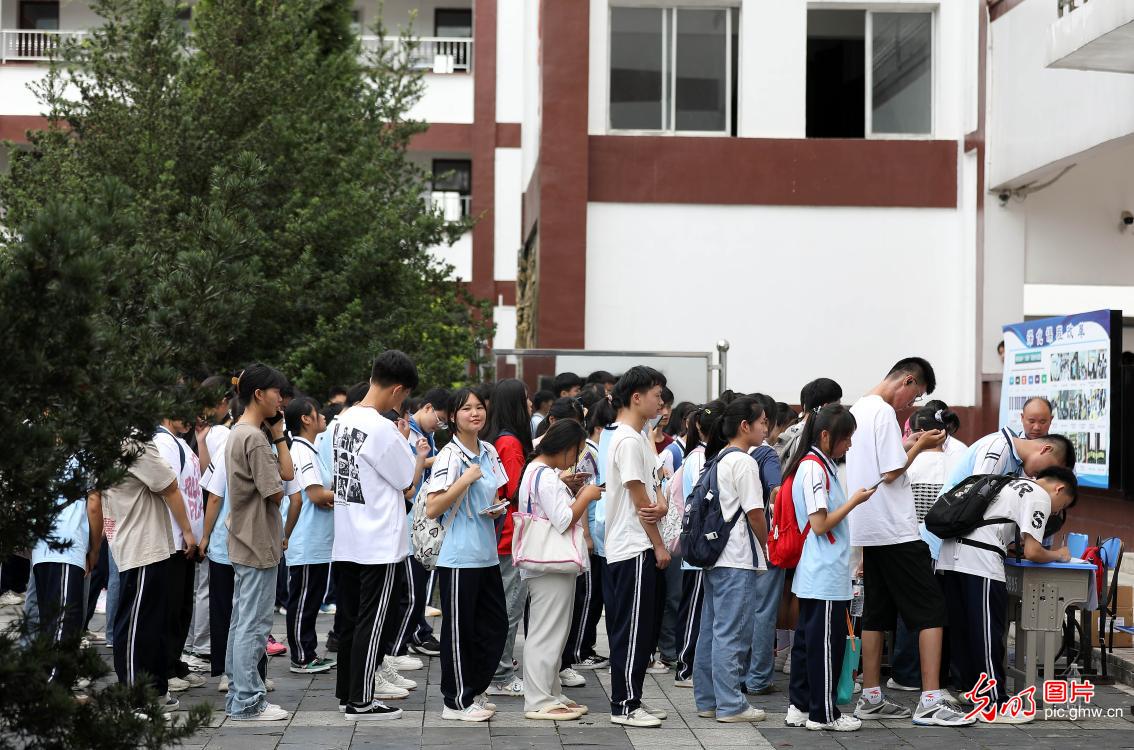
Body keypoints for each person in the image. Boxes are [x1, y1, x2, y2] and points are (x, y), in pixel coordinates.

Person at [846, 358, 973, 727]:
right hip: (894, 527)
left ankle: (870, 694)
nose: (910, 404)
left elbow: (876, 461)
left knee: (876, 614)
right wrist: (920, 447)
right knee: (931, 609)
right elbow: (891, 470)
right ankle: (931, 698)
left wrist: (906, 442)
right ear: (907, 379)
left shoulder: (860, 408)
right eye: (914, 395)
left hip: (867, 527)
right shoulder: (884, 411)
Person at [937, 468, 1078, 721]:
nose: (1055, 513)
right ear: (1059, 489)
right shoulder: (1039, 496)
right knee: (987, 634)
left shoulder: (1012, 483)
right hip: (979, 562)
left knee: (963, 632)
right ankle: (994, 704)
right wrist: (1059, 554)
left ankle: (971, 691)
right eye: (1061, 506)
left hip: (949, 557)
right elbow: (1034, 551)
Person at [330, 351, 420, 721]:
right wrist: (406, 443)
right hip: (379, 541)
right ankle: (362, 700)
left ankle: (347, 693)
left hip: (348, 536)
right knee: (373, 620)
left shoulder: (343, 419)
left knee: (351, 619)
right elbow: (405, 481)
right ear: (398, 389)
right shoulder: (382, 428)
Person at [783, 405, 877, 732]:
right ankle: (823, 713)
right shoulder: (814, 469)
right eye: (846, 438)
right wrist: (854, 502)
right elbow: (820, 524)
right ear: (826, 436)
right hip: (823, 572)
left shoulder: (818, 465)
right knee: (825, 645)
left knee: (809, 642)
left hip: (820, 570)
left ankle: (800, 705)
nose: (849, 445)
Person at [426, 388, 510, 722]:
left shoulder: (488, 451)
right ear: (452, 416)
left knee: (494, 627)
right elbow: (433, 507)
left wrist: (495, 511)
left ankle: (472, 689)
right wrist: (464, 480)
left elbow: (497, 491)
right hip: (458, 557)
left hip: (486, 553)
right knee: (459, 630)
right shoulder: (450, 455)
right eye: (466, 409)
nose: (474, 413)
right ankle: (456, 701)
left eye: (478, 407)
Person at [102, 435, 196, 714]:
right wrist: (188, 532)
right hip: (140, 543)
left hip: (144, 542)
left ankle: (155, 691)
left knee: (151, 624)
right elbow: (168, 484)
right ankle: (133, 697)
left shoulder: (110, 436)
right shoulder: (131, 441)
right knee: (136, 627)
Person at [692, 396, 770, 724]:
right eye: (763, 422)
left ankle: (708, 700)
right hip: (736, 557)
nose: (767, 427)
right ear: (745, 426)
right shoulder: (744, 462)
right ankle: (731, 704)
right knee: (732, 632)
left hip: (715, 557)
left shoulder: (719, 458)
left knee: (711, 629)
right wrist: (768, 545)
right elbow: (755, 513)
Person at [518, 420, 602, 721]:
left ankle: (550, 693)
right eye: (576, 452)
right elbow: (564, 520)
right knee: (547, 632)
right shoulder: (546, 477)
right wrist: (586, 496)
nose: (575, 459)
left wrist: (570, 489)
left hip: (547, 563)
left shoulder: (538, 472)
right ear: (566, 447)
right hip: (550, 565)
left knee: (552, 630)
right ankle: (539, 699)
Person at [225, 364, 293, 722]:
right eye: (276, 393)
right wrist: (279, 438)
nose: (280, 399)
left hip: (244, 539)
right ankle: (248, 700)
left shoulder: (239, 432)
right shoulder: (252, 437)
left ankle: (239, 694)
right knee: (253, 624)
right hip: (257, 541)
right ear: (258, 395)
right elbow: (280, 486)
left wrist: (277, 435)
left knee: (242, 621)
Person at [604, 366, 670, 728]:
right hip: (634, 548)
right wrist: (659, 545)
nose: (661, 401)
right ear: (636, 397)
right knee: (632, 631)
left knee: (641, 629)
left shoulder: (637, 437)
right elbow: (642, 504)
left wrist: (660, 504)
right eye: (657, 394)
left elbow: (655, 489)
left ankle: (633, 699)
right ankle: (625, 705)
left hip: (635, 546)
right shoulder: (629, 441)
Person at [483, 378, 534, 699]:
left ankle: (497, 667)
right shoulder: (511, 444)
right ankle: (501, 674)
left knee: (501, 606)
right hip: (511, 538)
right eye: (525, 398)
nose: (530, 405)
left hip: (499, 537)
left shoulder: (496, 440)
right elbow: (517, 492)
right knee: (509, 609)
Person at [391, 388, 450, 663]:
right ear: (426, 408)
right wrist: (438, 459)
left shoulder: (426, 435)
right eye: (439, 419)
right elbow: (406, 472)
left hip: (422, 517)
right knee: (412, 591)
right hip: (409, 517)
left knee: (416, 588)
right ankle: (399, 646)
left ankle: (416, 634)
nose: (440, 425)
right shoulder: (408, 431)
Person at [281, 396, 337, 675]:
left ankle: (309, 651)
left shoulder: (310, 449)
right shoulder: (301, 452)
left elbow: (324, 492)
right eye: (318, 413)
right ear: (305, 419)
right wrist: (339, 496)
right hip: (305, 539)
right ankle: (301, 656)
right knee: (303, 599)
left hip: (316, 539)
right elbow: (316, 495)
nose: (323, 417)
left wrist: (331, 496)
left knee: (311, 598)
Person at [153, 416, 206, 693]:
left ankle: (174, 663)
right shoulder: (163, 441)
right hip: (173, 538)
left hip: (186, 538)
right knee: (170, 608)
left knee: (183, 607)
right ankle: (164, 668)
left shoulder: (179, 442)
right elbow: (169, 488)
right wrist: (187, 531)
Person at [743, 393, 791, 696]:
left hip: (734, 546)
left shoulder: (726, 453)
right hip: (763, 540)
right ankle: (759, 677)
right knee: (764, 611)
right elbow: (775, 493)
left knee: (741, 611)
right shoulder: (767, 455)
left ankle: (738, 673)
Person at [562, 397, 613, 675]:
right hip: (589, 531)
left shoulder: (594, 450)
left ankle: (582, 647)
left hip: (593, 531)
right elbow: (582, 492)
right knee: (589, 595)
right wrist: (587, 535)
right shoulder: (589, 452)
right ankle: (581, 649)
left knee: (591, 595)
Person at [31, 479, 101, 683]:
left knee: (50, 623)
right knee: (63, 623)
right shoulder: (85, 454)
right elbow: (95, 504)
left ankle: (56, 687)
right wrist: (94, 550)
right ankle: (53, 689)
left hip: (42, 546)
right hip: (66, 546)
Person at [672, 404, 718, 688]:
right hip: (697, 547)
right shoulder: (699, 457)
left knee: (695, 606)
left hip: (698, 546)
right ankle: (685, 667)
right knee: (692, 608)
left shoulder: (700, 455)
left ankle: (689, 664)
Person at [942, 430, 1075, 495]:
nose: (1045, 475)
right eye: (1050, 469)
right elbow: (978, 499)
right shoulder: (999, 447)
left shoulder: (1018, 462)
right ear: (1046, 449)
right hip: (942, 540)